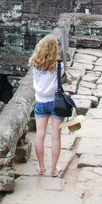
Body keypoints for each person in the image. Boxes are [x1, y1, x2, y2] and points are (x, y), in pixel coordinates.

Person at [28, 34, 65, 177]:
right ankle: (54, 169)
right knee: (56, 137)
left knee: (40, 135)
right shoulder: (58, 66)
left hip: (41, 102)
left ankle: (41, 166)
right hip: (56, 102)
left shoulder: (33, 62)